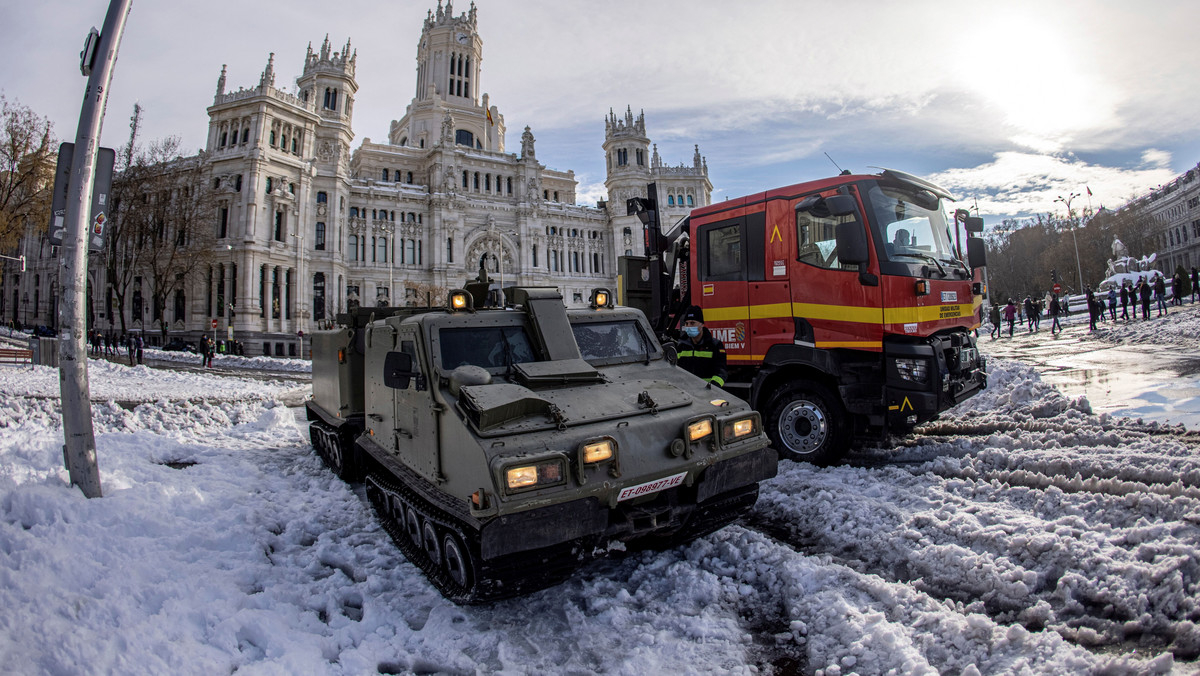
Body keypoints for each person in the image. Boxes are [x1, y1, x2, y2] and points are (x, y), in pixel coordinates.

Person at [674, 305, 727, 387]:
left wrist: (713, 387)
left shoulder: (715, 345)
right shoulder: (681, 346)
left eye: (692, 323)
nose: (689, 326)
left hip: (707, 393)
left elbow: (721, 372)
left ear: (701, 324)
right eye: (686, 323)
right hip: (686, 393)